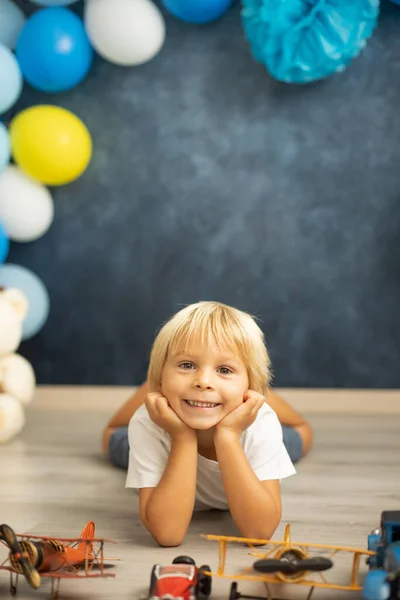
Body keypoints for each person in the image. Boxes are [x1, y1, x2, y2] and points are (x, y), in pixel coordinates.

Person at [102, 301, 313, 546]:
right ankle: (158, 384)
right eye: (187, 365)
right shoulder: (148, 422)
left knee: (298, 436)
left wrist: (227, 434)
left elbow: (259, 533)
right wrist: (182, 437)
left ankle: (244, 387)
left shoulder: (262, 424)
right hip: (169, 423)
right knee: (113, 439)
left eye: (224, 369)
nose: (203, 380)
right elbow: (168, 534)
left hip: (241, 421)